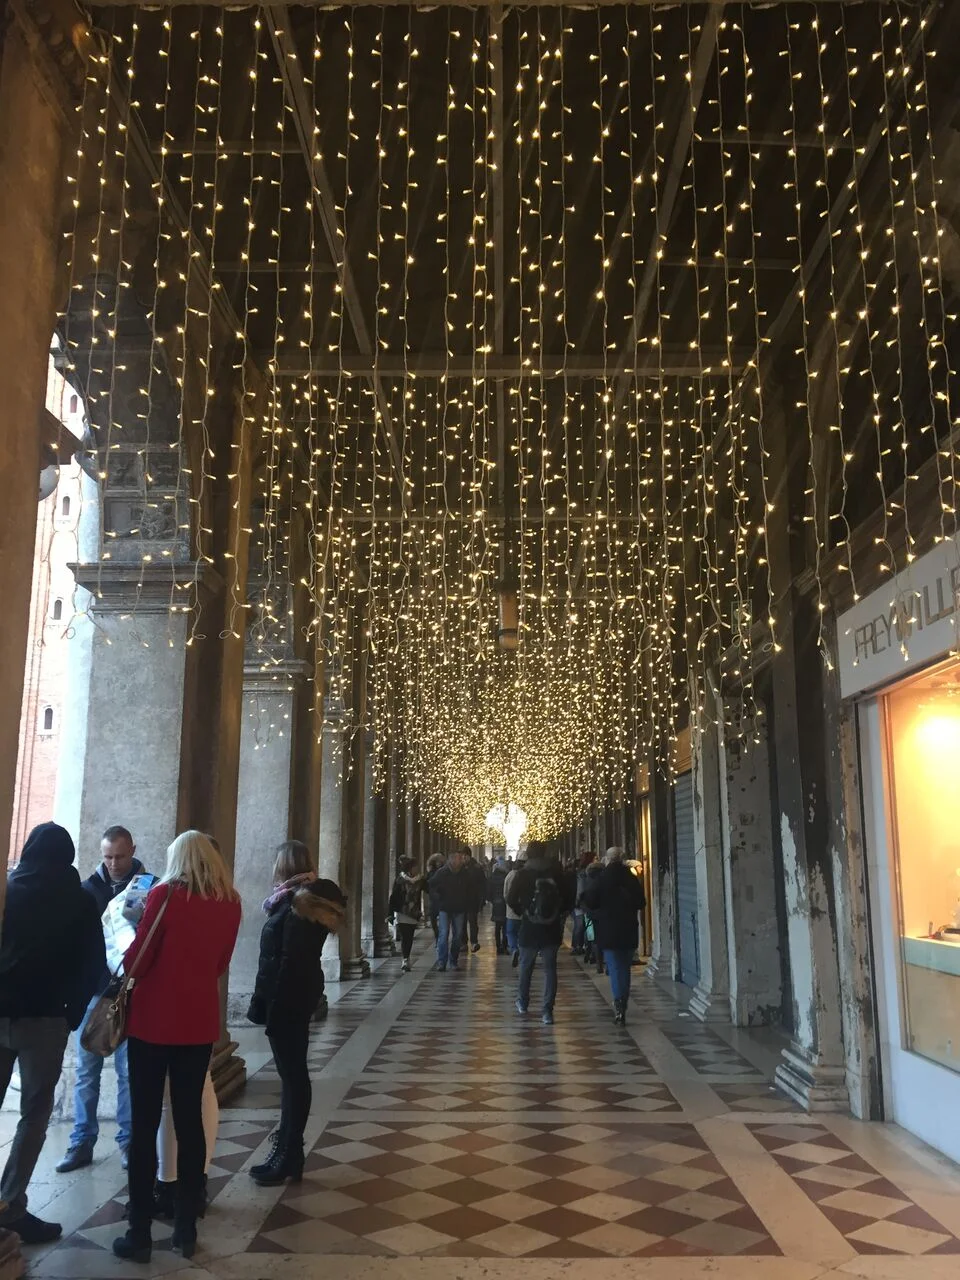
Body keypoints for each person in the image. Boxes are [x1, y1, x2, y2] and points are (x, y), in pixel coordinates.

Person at [112, 831, 241, 1264]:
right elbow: (222, 963)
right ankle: (186, 1227)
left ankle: (140, 1231)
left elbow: (139, 960)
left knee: (145, 1122)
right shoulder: (230, 901)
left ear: (178, 858)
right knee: (189, 1123)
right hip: (199, 1022)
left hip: (152, 1023)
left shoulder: (165, 894)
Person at [0, 822, 105, 1244]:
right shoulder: (78, 899)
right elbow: (93, 962)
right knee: (34, 1115)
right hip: (45, 1021)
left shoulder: (9, 890)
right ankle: (10, 1203)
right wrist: (72, 1013)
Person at [247, 840, 346, 1187]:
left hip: (289, 997)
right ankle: (288, 1150)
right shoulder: (296, 900)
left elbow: (292, 959)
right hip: (292, 995)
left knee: (293, 1076)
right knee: (292, 1076)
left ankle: (289, 1151)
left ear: (284, 865)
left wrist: (275, 1004)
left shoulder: (300, 904)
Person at [57, 825, 147, 1175]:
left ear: (133, 850)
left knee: (128, 1073)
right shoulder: (87, 890)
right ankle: (81, 1141)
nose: (113, 864)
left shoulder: (148, 887)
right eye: (107, 856)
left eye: (120, 856)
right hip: (94, 993)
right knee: (86, 1071)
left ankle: (128, 1142)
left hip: (131, 991)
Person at [506, 841, 573, 1025]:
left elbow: (510, 898)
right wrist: (557, 914)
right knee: (550, 970)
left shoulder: (522, 874)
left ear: (528, 854)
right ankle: (547, 1011)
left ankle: (523, 1002)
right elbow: (568, 898)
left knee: (526, 968)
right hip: (550, 928)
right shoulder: (557, 874)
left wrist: (523, 912)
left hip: (529, 927)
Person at [580, 847, 646, 1024]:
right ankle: (622, 1002)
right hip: (629, 929)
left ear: (607, 860)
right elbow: (641, 902)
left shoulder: (602, 879)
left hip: (608, 930)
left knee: (615, 968)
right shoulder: (631, 878)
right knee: (624, 968)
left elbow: (590, 901)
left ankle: (619, 1005)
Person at [431, 848, 471, 971]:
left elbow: (470, 889)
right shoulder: (442, 872)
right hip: (445, 908)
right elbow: (432, 886)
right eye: (459, 858)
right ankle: (442, 962)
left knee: (458, 935)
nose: (461, 860)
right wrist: (438, 899)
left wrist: (467, 901)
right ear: (452, 859)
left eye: (461, 858)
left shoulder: (465, 873)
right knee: (443, 935)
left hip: (459, 908)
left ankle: (453, 960)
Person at [388, 856, 425, 972]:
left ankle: (407, 957)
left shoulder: (420, 880)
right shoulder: (400, 880)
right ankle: (405, 959)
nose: (417, 869)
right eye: (415, 867)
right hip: (402, 912)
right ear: (410, 868)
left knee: (409, 937)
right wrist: (390, 913)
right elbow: (393, 896)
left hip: (414, 912)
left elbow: (430, 888)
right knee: (405, 936)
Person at [463, 851, 487, 952]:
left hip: (473, 900)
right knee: (462, 922)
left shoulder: (476, 868)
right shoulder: (460, 867)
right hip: (462, 900)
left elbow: (483, 884)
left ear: (468, 856)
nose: (463, 858)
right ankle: (463, 942)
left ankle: (474, 942)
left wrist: (482, 899)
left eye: (465, 856)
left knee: (472, 922)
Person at [503, 854, 525, 967]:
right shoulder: (526, 876)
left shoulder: (509, 875)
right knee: (522, 934)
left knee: (511, 933)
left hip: (511, 913)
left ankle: (514, 949)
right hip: (524, 912)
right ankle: (521, 952)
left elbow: (505, 894)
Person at [488, 855, 509, 954]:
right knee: (505, 926)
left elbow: (489, 891)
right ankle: (504, 946)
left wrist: (492, 900)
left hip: (496, 903)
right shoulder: (506, 876)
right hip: (504, 903)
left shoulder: (492, 877)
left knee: (497, 926)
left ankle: (498, 946)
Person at [425, 852, 444, 939]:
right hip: (433, 899)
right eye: (437, 861)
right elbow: (427, 884)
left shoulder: (444, 871)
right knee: (433, 919)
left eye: (440, 861)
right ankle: (437, 935)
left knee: (442, 920)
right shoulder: (431, 872)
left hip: (442, 899)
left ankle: (440, 937)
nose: (438, 863)